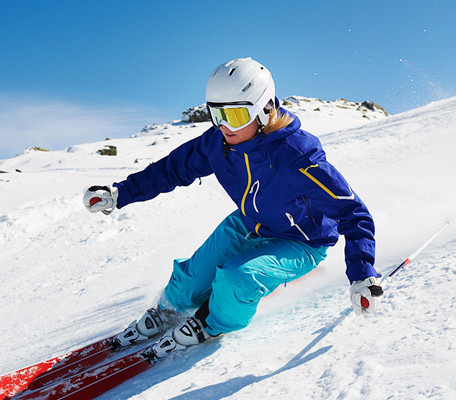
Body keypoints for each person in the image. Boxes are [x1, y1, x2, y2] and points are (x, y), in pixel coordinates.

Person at [83, 57, 383, 358]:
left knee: (236, 279)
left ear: (264, 110)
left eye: (236, 116)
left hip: (302, 241)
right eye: (217, 114)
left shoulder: (296, 154)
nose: (225, 126)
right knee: (190, 282)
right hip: (249, 223)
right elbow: (172, 169)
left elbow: (351, 212)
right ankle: (167, 312)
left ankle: (212, 324)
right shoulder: (220, 143)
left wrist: (361, 274)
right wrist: (119, 193)